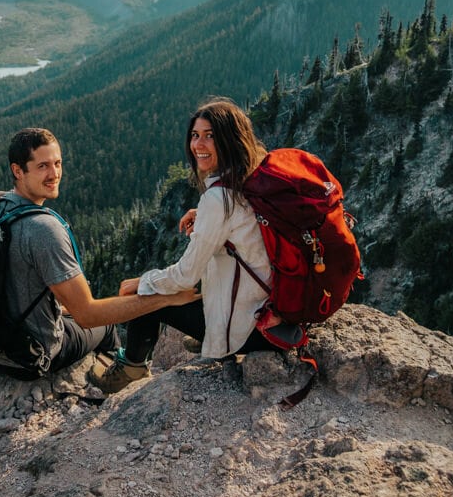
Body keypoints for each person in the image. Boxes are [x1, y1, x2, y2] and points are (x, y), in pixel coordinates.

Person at [89, 98, 301, 393]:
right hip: (276, 315)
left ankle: (130, 370)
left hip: (252, 328)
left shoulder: (219, 199)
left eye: (210, 135)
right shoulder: (254, 179)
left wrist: (143, 281)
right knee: (163, 288)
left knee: (147, 298)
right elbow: (244, 230)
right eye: (195, 135)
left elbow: (186, 276)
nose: (198, 144)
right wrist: (204, 219)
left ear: (229, 139)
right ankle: (207, 332)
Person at [0, 127, 199, 374]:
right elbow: (88, 316)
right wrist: (167, 298)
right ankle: (118, 380)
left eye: (57, 163)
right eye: (42, 166)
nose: (54, 173)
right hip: (32, 352)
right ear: (18, 171)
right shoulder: (42, 229)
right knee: (106, 328)